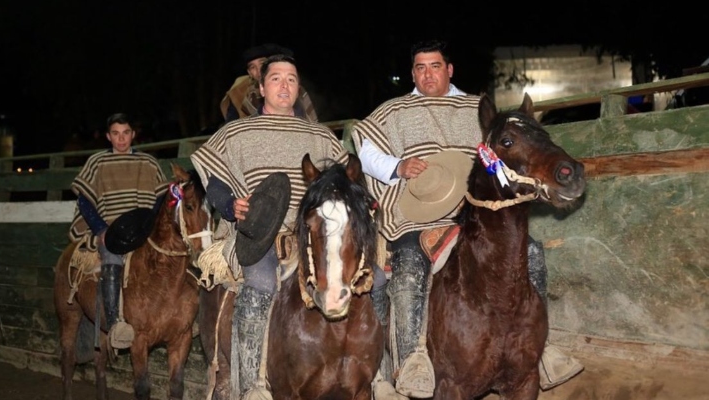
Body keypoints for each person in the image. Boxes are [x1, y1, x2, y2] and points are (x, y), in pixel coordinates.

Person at [352, 40, 584, 398]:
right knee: (411, 263)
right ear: (413, 72)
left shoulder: (478, 109)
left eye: (434, 66)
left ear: (450, 69)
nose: (427, 74)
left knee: (532, 253)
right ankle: (415, 358)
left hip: (472, 213)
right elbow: (365, 148)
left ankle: (542, 347)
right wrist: (396, 166)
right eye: (420, 68)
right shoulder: (394, 111)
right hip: (417, 217)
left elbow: (499, 159)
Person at [191, 54, 366, 400]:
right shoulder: (236, 131)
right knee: (258, 281)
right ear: (260, 87)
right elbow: (212, 177)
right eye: (276, 79)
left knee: (373, 275)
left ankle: (379, 376)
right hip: (260, 235)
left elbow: (347, 179)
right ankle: (252, 381)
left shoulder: (319, 135)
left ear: (298, 88)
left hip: (316, 237)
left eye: (291, 79)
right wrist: (230, 205)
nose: (284, 85)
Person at [68, 113, 168, 350]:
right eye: (115, 134)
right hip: (111, 227)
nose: (121, 139)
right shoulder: (97, 162)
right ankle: (115, 324)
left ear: (133, 134)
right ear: (108, 137)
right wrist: (101, 229)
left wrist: (149, 223)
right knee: (112, 256)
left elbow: (161, 197)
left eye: (125, 133)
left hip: (142, 228)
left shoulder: (149, 162)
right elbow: (84, 200)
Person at [219, 43, 318, 123]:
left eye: (262, 63)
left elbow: (311, 122)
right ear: (249, 73)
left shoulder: (291, 88)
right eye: (252, 67)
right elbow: (231, 125)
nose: (258, 71)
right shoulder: (240, 92)